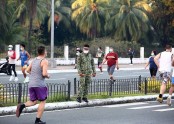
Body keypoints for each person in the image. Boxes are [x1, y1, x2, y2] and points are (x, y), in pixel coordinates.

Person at [16, 46, 50, 124]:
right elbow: (44, 74)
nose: (46, 52)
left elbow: (27, 70)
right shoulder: (44, 61)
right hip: (40, 84)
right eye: (46, 51)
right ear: (44, 52)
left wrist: (34, 74)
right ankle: (37, 120)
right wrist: (48, 76)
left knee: (33, 101)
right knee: (43, 101)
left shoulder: (34, 60)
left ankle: (22, 105)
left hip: (31, 84)